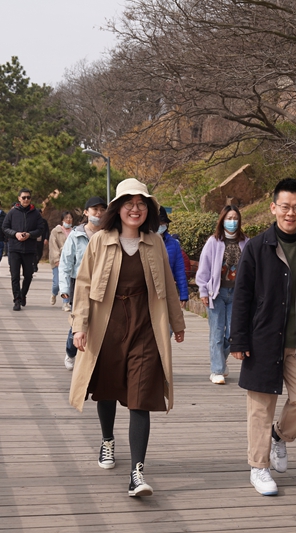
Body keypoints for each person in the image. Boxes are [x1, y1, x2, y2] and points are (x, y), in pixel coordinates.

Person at [68, 178, 185, 498]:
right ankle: (107, 440)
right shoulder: (100, 240)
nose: (136, 209)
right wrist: (80, 325)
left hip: (145, 328)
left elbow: (169, 284)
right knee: (106, 390)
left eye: (141, 204)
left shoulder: (155, 242)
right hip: (107, 325)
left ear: (148, 210)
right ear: (118, 208)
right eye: (129, 204)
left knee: (141, 397)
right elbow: (83, 284)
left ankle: (137, 472)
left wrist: (177, 322)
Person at [230, 178, 296, 496]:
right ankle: (258, 467)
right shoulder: (256, 247)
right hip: (263, 339)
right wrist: (238, 339)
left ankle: (279, 436)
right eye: (285, 206)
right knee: (260, 407)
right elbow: (242, 296)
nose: (291, 213)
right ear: (273, 207)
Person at [195, 205, 249, 384]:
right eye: (229, 218)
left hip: (238, 295)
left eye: (235, 218)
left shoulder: (246, 242)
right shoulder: (214, 241)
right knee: (217, 332)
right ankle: (217, 370)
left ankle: (220, 360)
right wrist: (203, 290)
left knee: (232, 333)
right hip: (216, 293)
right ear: (222, 220)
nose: (232, 222)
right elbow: (204, 267)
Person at [59, 196, 107, 369]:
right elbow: (66, 263)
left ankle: (97, 358)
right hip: (79, 283)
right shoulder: (76, 235)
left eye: (102, 210)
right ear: (86, 212)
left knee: (102, 321)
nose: (99, 213)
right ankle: (71, 352)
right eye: (95, 210)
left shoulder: (109, 234)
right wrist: (65, 288)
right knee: (78, 320)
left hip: (103, 283)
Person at [2, 189, 47, 311]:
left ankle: (23, 294)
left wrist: (30, 235)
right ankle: (16, 299)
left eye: (28, 197)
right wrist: (15, 234)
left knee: (28, 275)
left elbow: (40, 229)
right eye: (24, 197)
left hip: (29, 249)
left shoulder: (36, 214)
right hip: (15, 249)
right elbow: (5, 227)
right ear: (19, 198)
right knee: (15, 276)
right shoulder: (12, 213)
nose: (26, 199)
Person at [158, 207, 189, 309]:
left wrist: (183, 294)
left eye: (162, 223)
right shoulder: (145, 241)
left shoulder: (173, 244)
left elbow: (179, 270)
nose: (160, 226)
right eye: (157, 223)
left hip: (168, 290)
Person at [49, 211, 73, 306]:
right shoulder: (56, 231)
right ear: (62, 219)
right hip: (58, 260)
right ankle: (54, 293)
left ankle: (65, 303)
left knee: (68, 283)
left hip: (70, 261)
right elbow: (53, 246)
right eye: (66, 218)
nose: (68, 219)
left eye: (70, 218)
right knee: (57, 283)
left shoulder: (74, 232)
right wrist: (56, 259)